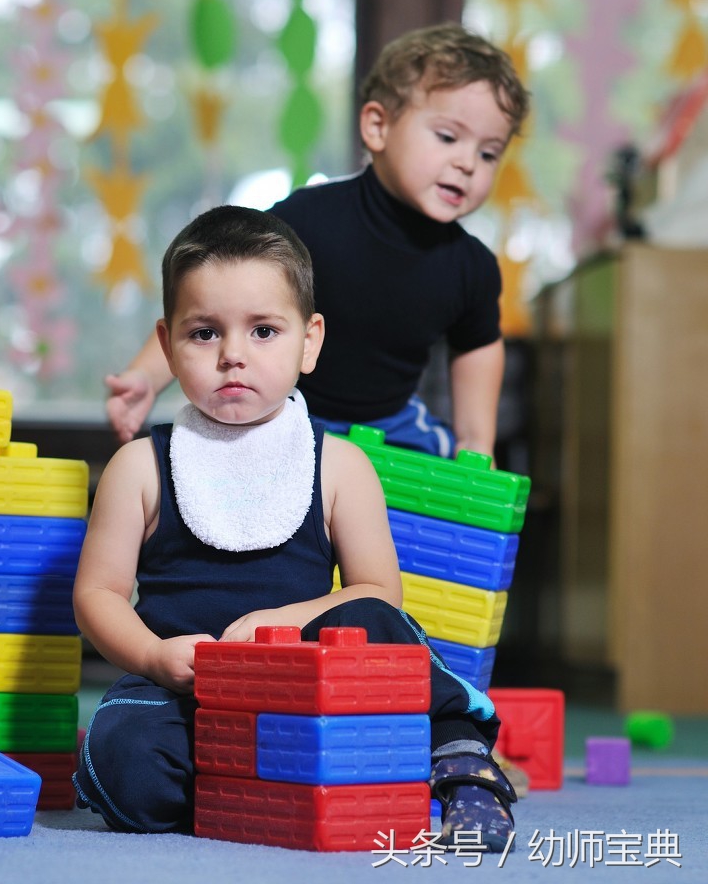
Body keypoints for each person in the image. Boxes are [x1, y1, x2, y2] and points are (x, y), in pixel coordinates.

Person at [73, 206, 518, 850]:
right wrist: (153, 657)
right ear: (166, 345)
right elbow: (98, 596)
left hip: (309, 682)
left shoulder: (339, 464)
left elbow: (376, 593)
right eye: (203, 334)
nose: (232, 355)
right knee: (125, 756)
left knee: (380, 627)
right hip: (182, 686)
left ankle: (459, 748)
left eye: (262, 331)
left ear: (309, 342)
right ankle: (252, 786)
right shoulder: (139, 465)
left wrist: (288, 624)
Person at [105, 23, 530, 459]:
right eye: (447, 137)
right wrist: (146, 376)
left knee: (443, 482)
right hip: (286, 411)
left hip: (394, 425)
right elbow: (209, 301)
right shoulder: (308, 219)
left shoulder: (472, 267)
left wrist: (477, 446)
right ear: (377, 126)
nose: (467, 163)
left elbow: (478, 350)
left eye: (488, 153)